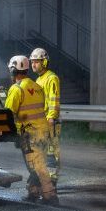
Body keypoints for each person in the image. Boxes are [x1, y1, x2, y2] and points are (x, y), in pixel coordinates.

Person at [5, 55, 58, 205]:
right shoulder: (37, 87)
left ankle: (50, 196)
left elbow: (8, 114)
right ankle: (33, 192)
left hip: (29, 134)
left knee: (37, 167)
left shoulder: (16, 89)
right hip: (42, 131)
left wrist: (14, 134)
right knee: (36, 163)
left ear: (13, 70)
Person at [30, 48, 61, 186]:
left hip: (50, 121)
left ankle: (52, 180)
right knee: (41, 151)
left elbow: (54, 99)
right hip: (41, 121)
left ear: (45, 62)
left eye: (37, 62)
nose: (33, 65)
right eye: (32, 62)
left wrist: (51, 118)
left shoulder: (51, 78)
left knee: (51, 151)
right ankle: (44, 178)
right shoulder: (39, 79)